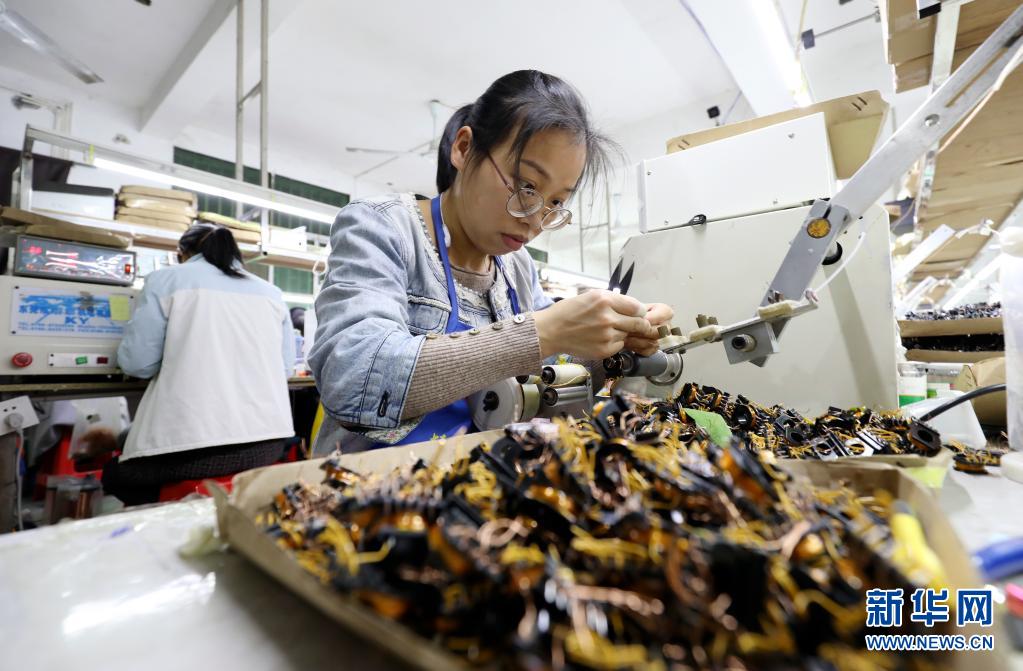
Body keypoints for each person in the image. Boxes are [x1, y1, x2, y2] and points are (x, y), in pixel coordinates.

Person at [309, 70, 672, 452]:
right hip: (372, 481)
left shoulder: (517, 267)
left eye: (556, 202)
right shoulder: (383, 228)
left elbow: (549, 371)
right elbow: (351, 379)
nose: (535, 221)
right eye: (526, 186)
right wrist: (539, 332)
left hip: (481, 477)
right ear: (464, 149)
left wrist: (615, 340)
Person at [104, 223, 295, 504]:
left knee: (113, 475)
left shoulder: (165, 280)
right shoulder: (272, 293)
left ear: (181, 253)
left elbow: (137, 364)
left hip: (189, 448)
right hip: (266, 444)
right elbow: (285, 369)